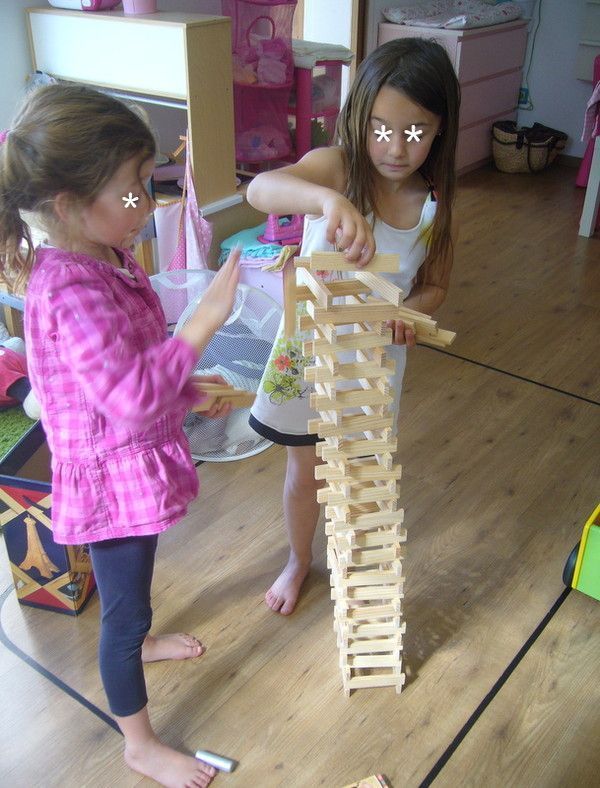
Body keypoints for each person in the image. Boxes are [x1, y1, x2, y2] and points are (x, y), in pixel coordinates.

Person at [0, 83, 240, 788]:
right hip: (109, 477)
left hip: (129, 458)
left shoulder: (108, 252)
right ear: (70, 205)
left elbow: (134, 364)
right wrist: (206, 319)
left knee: (133, 586)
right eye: (133, 188)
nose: (147, 200)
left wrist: (189, 390)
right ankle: (139, 743)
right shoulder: (68, 288)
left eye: (146, 180)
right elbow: (132, 398)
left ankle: (144, 639)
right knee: (122, 613)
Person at [246, 38, 460, 615]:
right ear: (359, 117)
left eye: (415, 131)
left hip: (371, 366)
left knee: (361, 477)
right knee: (304, 470)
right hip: (308, 357)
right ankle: (298, 559)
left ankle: (353, 565)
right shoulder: (336, 168)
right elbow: (259, 189)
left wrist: (411, 311)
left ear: (439, 130)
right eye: (380, 128)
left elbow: (436, 286)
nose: (396, 147)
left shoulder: (434, 206)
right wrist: (325, 201)